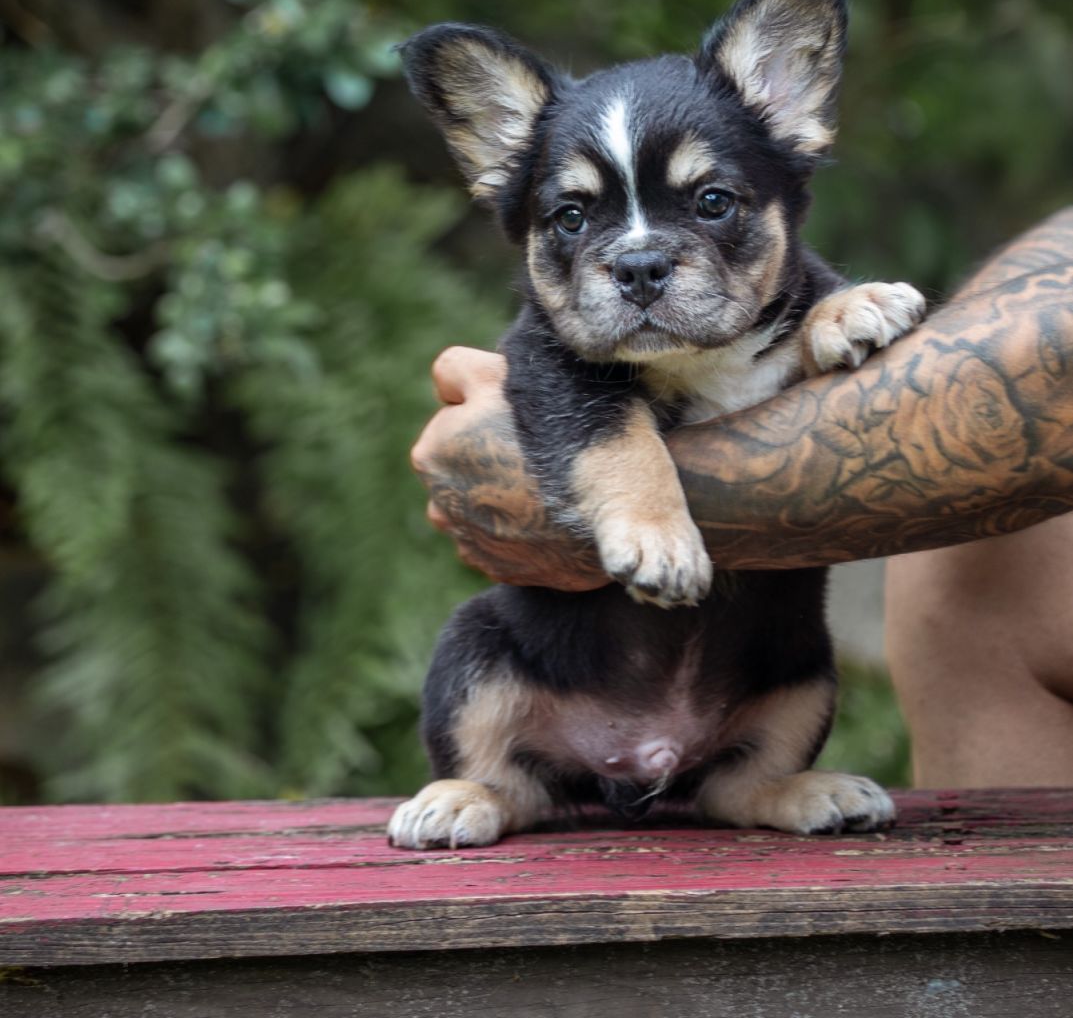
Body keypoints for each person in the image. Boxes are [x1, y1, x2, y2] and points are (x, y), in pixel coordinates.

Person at [410, 208, 1073, 788]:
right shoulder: (566, 348)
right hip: (556, 689)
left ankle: (752, 786)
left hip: (748, 690)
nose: (638, 256)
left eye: (712, 203)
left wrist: (611, 504)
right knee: (477, 641)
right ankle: (492, 785)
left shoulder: (798, 302)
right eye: (574, 218)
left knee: (814, 660)